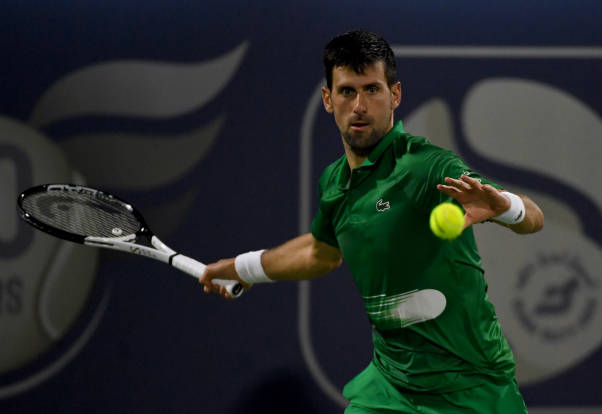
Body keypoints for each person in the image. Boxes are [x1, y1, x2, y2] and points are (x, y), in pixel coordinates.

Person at [200, 29, 544, 413]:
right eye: (347, 91)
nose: (360, 105)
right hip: (390, 387)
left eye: (372, 89)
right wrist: (244, 267)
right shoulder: (335, 182)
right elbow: (321, 252)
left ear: (394, 95)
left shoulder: (428, 167)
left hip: (472, 388)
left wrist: (506, 207)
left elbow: (534, 217)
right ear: (328, 100)